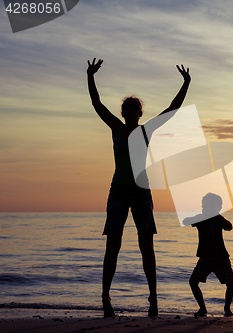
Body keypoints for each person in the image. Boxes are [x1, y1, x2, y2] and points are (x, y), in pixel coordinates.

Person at [86, 58, 191, 317]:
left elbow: (172, 109)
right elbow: (97, 104)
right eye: (127, 107)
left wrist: (186, 83)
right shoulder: (116, 129)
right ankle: (105, 299)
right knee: (113, 244)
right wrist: (90, 76)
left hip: (141, 192)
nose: (131, 109)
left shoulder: (146, 131)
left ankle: (153, 299)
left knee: (147, 246)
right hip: (118, 191)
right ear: (122, 112)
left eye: (135, 107)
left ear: (140, 113)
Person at [183, 193, 233, 318]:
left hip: (221, 258)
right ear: (202, 206)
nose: (207, 208)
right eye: (205, 205)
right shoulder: (201, 218)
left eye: (212, 205)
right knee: (193, 282)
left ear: (219, 207)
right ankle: (202, 308)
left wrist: (216, 215)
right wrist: (196, 218)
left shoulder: (218, 219)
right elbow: (185, 221)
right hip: (205, 258)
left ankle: (227, 308)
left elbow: (229, 227)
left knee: (231, 283)